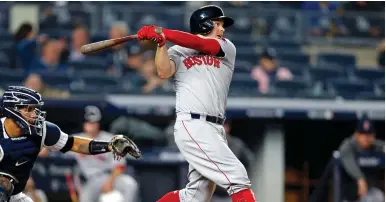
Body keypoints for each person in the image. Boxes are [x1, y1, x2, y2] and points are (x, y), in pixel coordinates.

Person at [136, 5, 256, 202]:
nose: (222, 29)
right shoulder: (178, 50)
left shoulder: (226, 47)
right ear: (205, 24)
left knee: (196, 195)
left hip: (215, 127)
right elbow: (164, 71)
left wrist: (162, 32)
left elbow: (204, 45)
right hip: (193, 124)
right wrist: (160, 43)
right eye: (217, 24)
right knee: (237, 177)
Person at [0, 86, 141, 202]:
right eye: (28, 109)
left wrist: (109, 146)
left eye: (35, 109)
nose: (35, 114)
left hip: (15, 195)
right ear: (12, 110)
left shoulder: (42, 130)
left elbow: (72, 143)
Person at [72, 106, 139, 202]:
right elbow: (54, 145)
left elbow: (119, 166)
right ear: (84, 124)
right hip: (91, 180)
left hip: (111, 177)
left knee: (130, 184)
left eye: (94, 122)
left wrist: (110, 182)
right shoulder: (75, 140)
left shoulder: (110, 139)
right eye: (89, 122)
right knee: (85, 198)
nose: (92, 125)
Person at [338, 115, 385, 202]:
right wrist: (360, 178)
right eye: (363, 135)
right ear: (356, 135)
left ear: (373, 136)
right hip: (349, 196)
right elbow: (347, 157)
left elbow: (383, 146)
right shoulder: (348, 146)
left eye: (368, 135)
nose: (366, 138)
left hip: (367, 194)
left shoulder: (377, 146)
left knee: (378, 196)